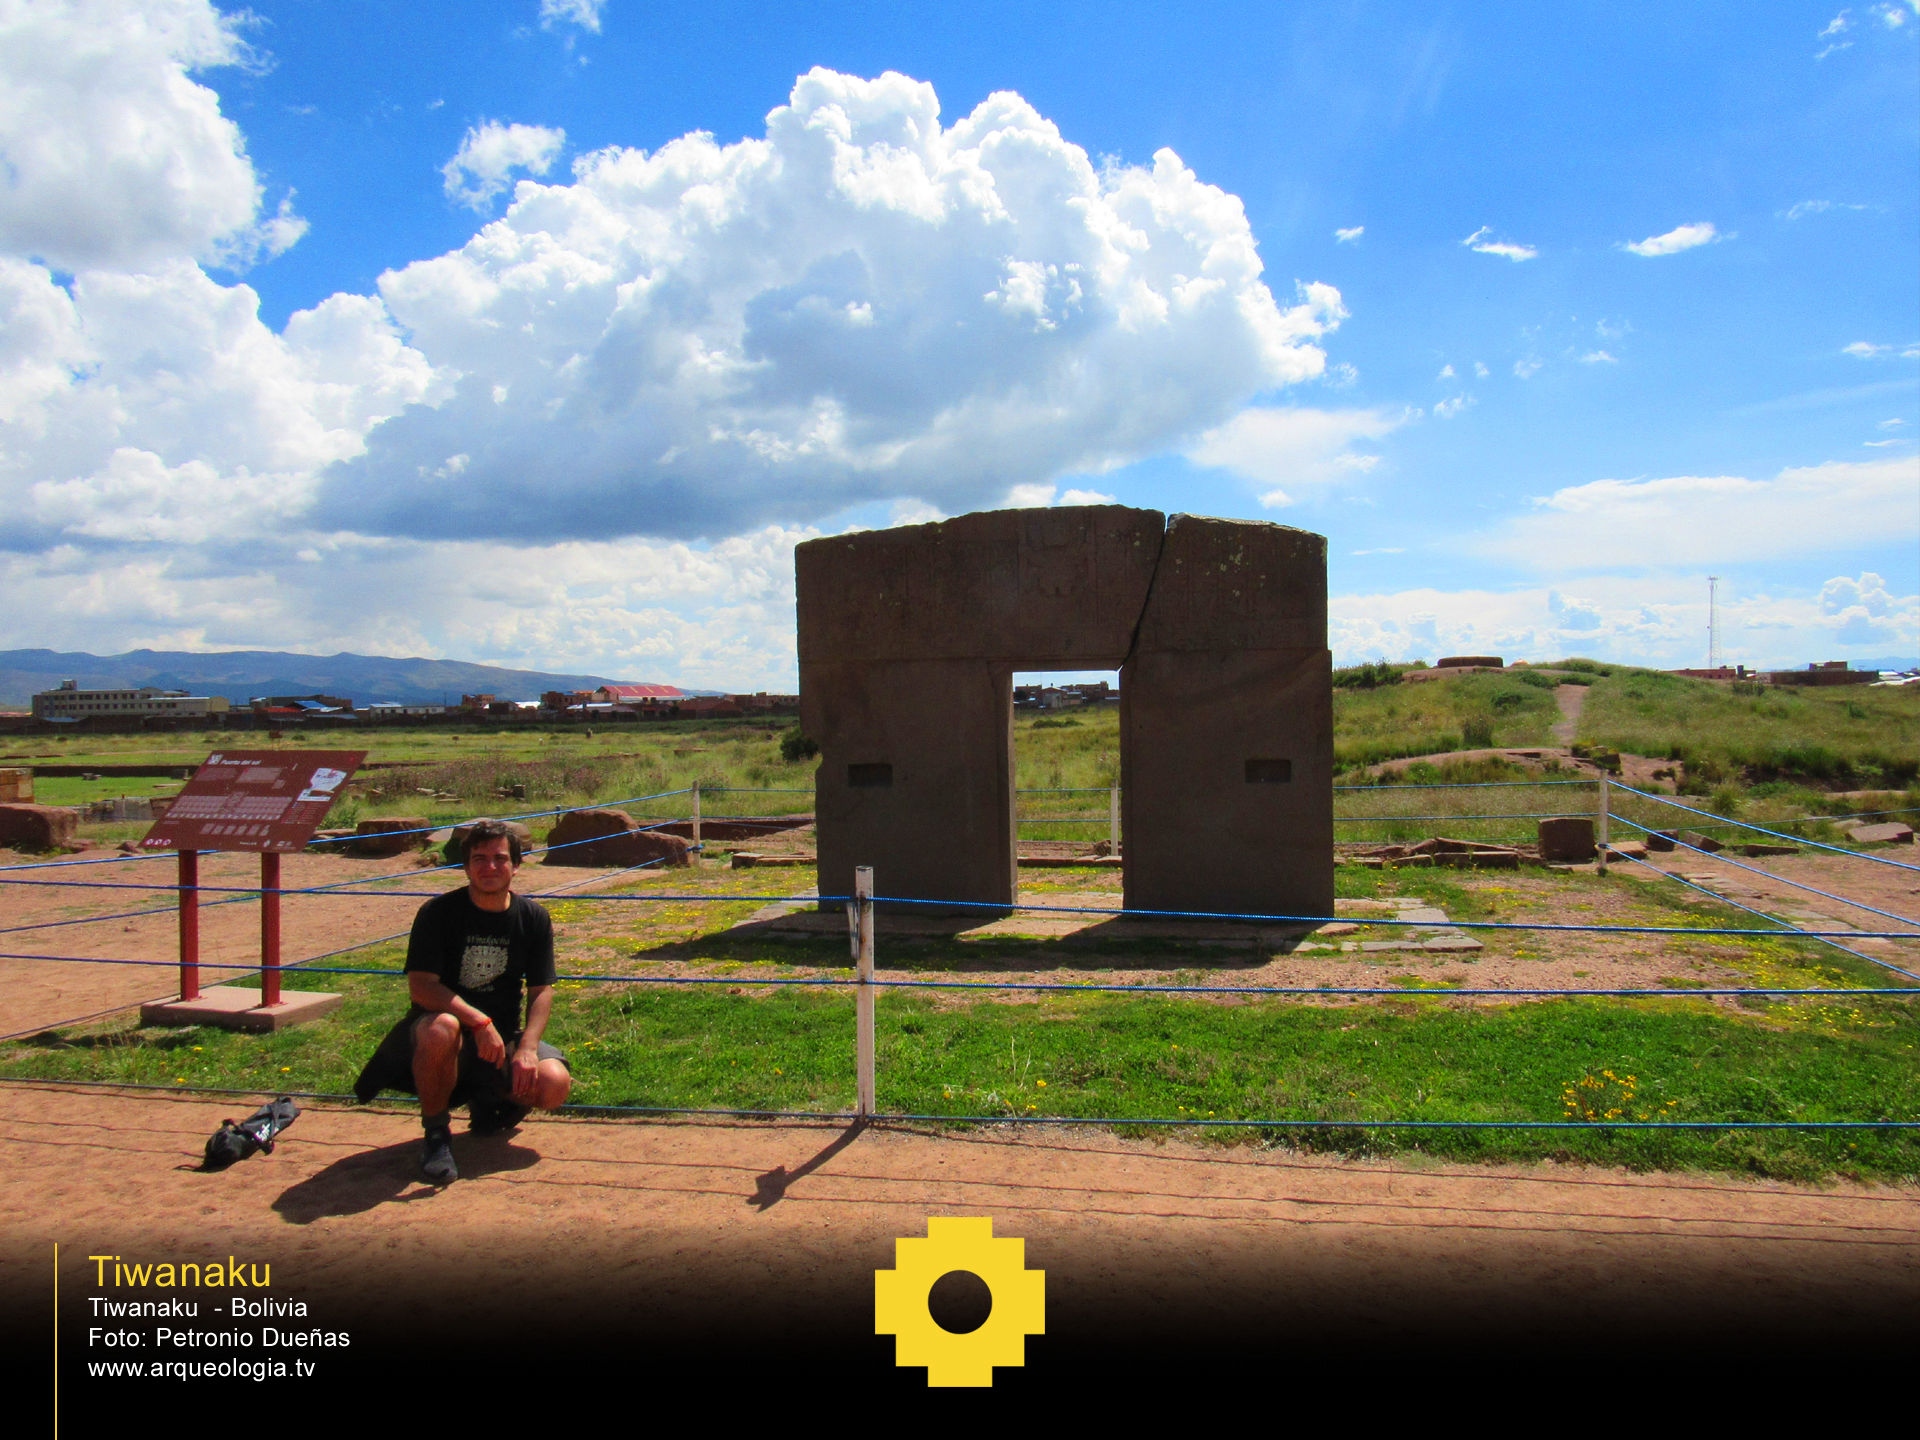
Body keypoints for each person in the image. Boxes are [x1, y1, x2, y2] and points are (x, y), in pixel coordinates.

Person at [353, 819, 571, 1183]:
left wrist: (528, 1048)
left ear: (516, 865)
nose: (489, 867)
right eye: (479, 858)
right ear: (465, 864)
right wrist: (478, 1021)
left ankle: (492, 1101)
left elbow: (541, 990)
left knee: (553, 1083)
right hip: (440, 1031)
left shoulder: (532, 917)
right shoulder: (438, 914)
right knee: (443, 1026)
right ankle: (437, 1133)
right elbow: (421, 987)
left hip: (501, 1035)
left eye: (500, 859)